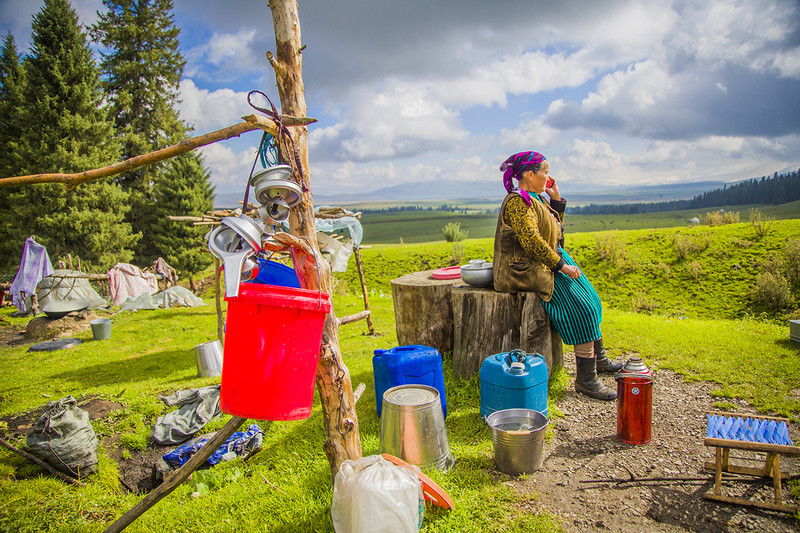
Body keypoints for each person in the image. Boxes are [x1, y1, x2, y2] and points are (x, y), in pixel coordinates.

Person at [493, 151, 621, 401]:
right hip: (524, 269)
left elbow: (554, 233)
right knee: (581, 307)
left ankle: (599, 360)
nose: (548, 176)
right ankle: (586, 380)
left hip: (544, 261)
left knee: (592, 300)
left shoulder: (535, 198)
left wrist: (556, 198)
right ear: (530, 174)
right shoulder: (518, 202)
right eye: (545, 172)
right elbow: (531, 241)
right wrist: (560, 265)